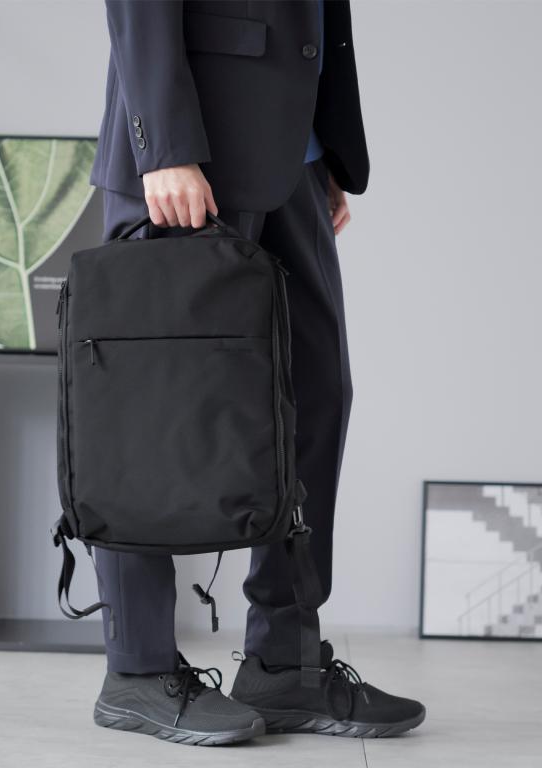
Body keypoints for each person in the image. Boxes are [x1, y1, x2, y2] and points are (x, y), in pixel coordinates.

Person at [87, 0, 425, 745]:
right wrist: (163, 145)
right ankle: (137, 668)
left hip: (292, 152)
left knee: (315, 395)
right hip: (189, 151)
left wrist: (322, 146)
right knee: (152, 409)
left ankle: (284, 664)